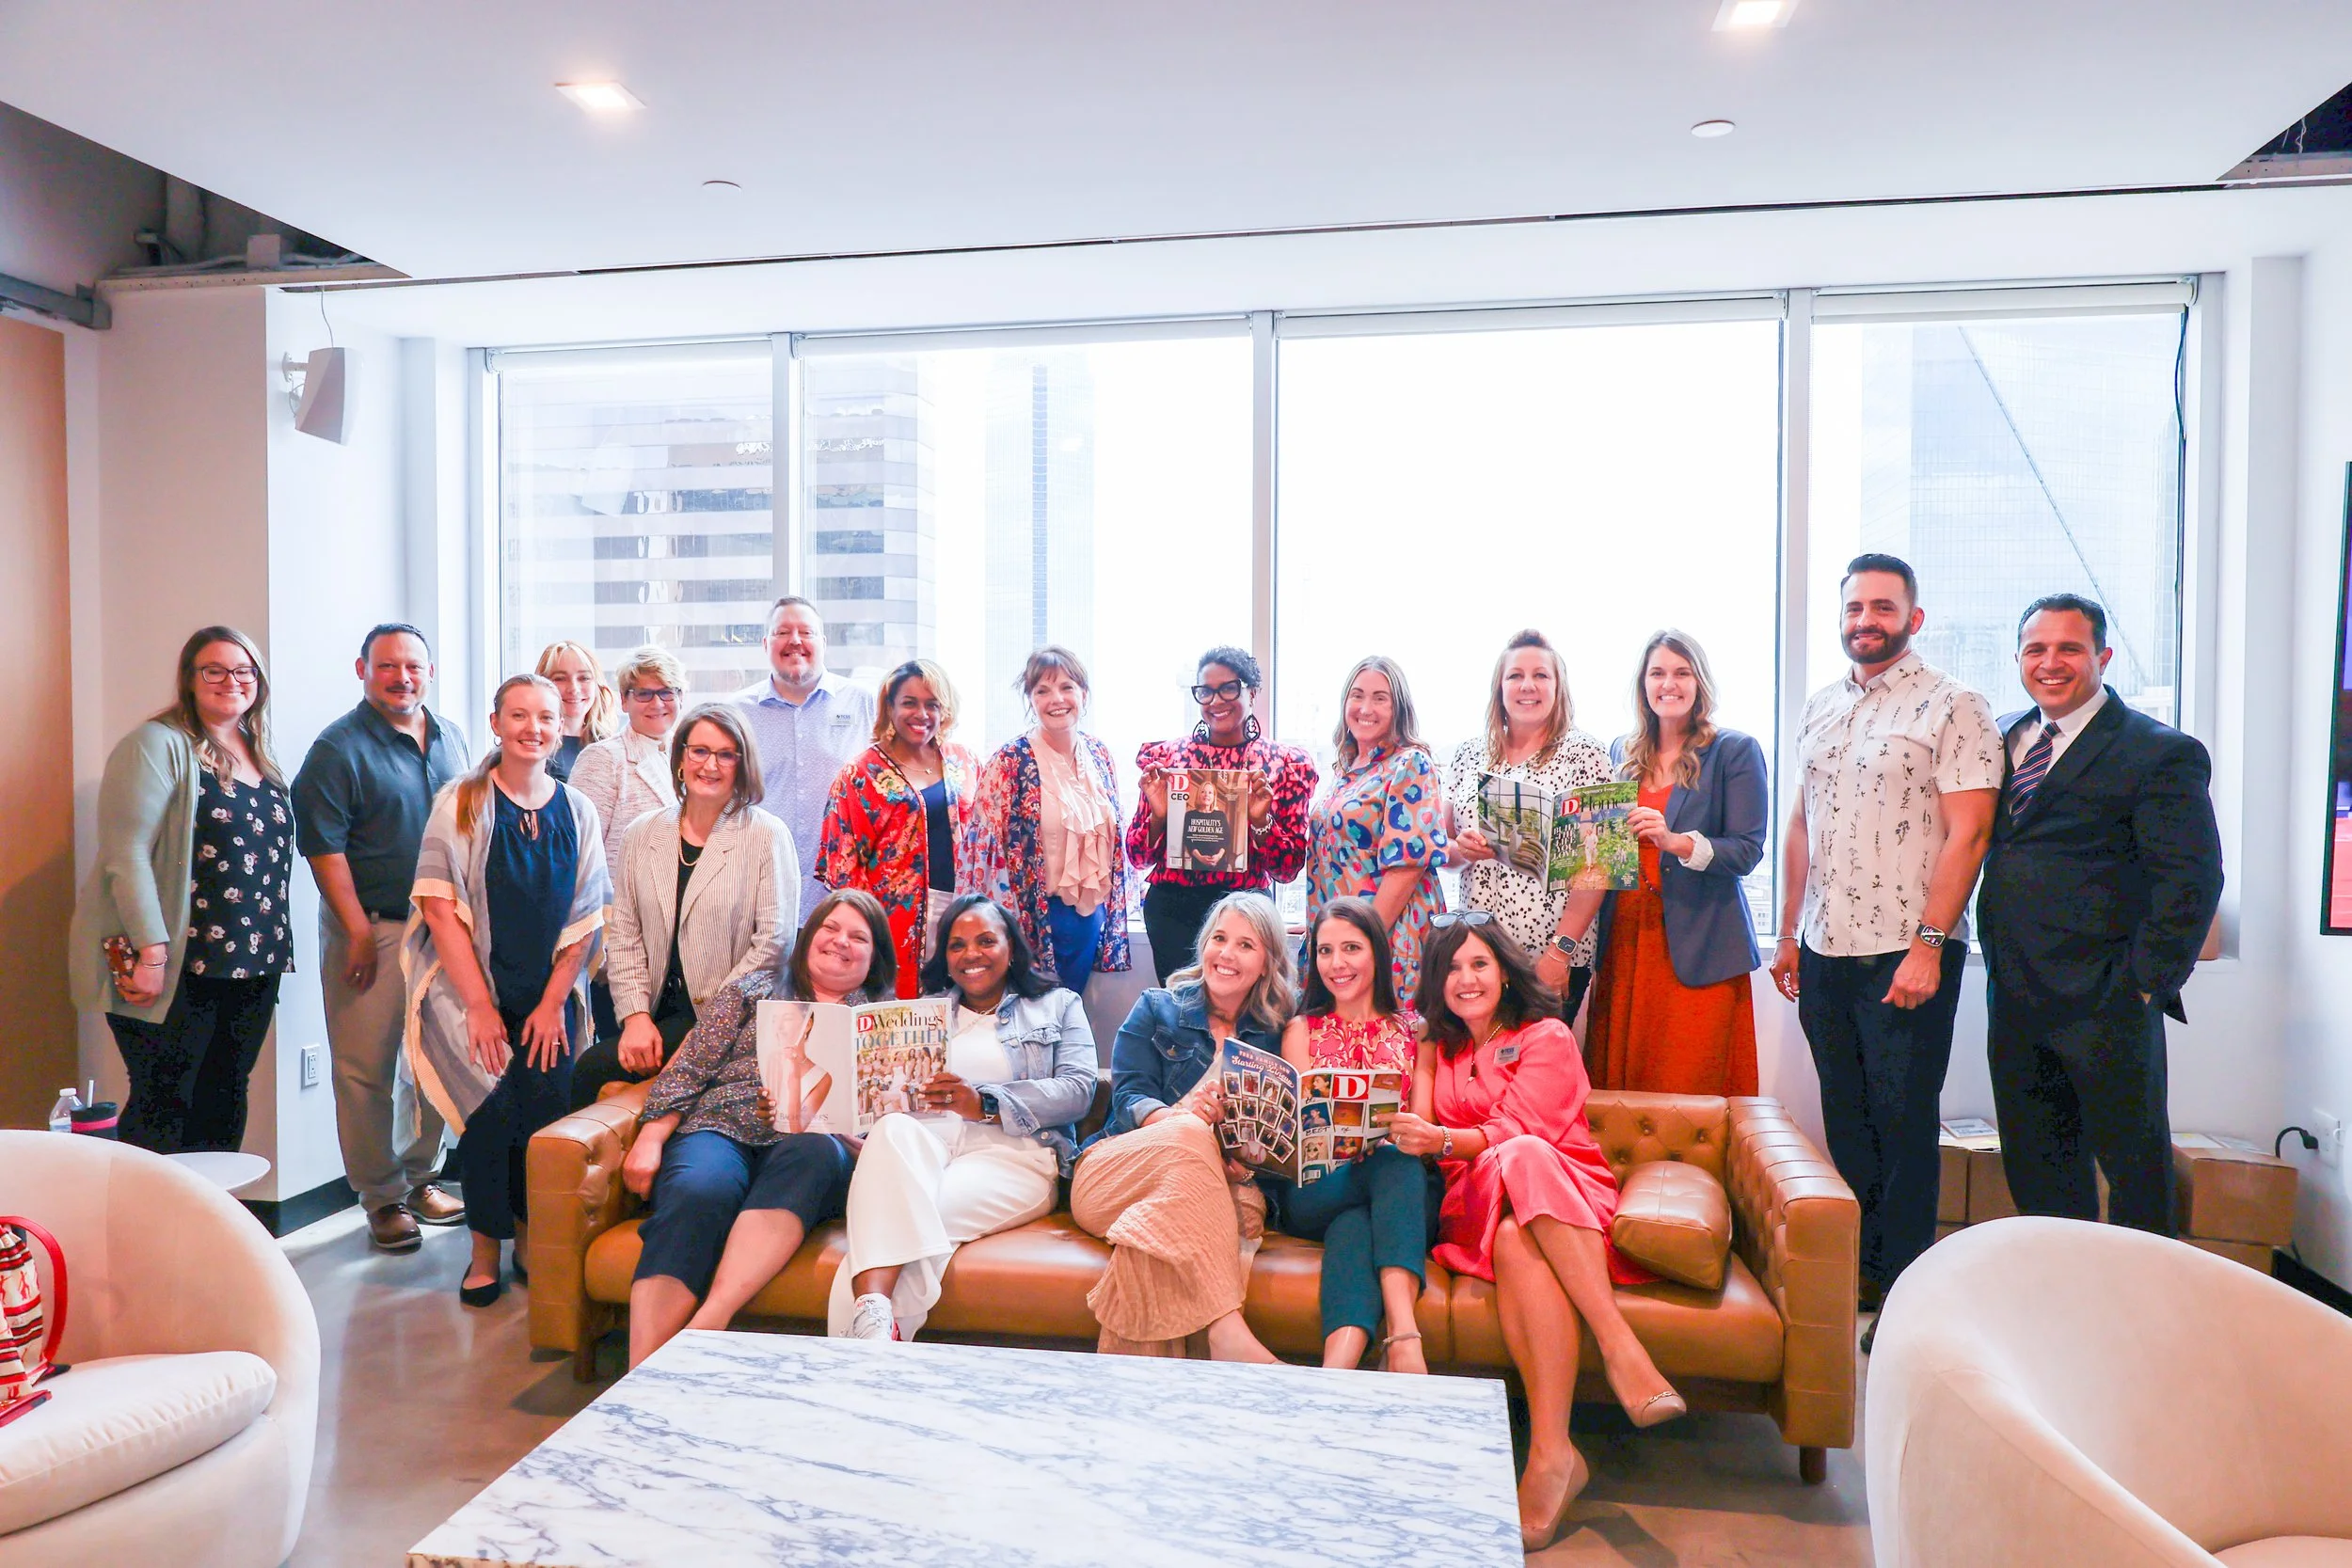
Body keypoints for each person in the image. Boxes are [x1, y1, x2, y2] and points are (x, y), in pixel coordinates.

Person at [1388, 915, 1684, 1550]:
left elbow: (1522, 1129)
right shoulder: (1441, 1048)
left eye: (1479, 963)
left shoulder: (1547, 1035)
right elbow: (1422, 1132)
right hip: (1473, 1200)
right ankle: (1620, 1346)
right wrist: (1422, 1063)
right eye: (1451, 969)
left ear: (1504, 970)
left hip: (1566, 1193)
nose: (1466, 978)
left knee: (1519, 1213)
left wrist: (1444, 1139)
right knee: (1516, 1169)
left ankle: (1552, 1456)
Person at [1770, 553, 2000, 1323]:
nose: (1865, 620)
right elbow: (1801, 824)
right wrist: (1789, 932)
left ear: (1913, 617)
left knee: (1903, 1127)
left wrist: (1929, 945)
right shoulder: (1821, 706)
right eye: (1854, 608)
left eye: (1881, 607)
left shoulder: (1954, 704)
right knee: (1847, 1121)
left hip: (1907, 951)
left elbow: (1970, 833)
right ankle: (1866, 1278)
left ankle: (1906, 1296)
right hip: (1824, 949)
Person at [1979, 594, 2223, 1236]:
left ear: (2103, 656)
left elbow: (2192, 878)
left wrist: (2143, 983)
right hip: (2015, 996)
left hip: (2106, 1001)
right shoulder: (2002, 735)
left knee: (2134, 1173)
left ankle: (2143, 1300)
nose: (2050, 662)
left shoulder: (2158, 751)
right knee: (2037, 1170)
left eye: (2069, 648)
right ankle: (2062, 1290)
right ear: (2018, 659)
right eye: (2036, 649)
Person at [619, 887, 896, 1368]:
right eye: (830, 928)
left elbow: (884, 1126)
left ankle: (707, 1326)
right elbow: (691, 1066)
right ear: (809, 935)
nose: (840, 942)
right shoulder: (755, 989)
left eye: (859, 937)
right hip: (720, 1127)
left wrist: (847, 1136)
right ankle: (640, 1373)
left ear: (874, 959)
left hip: (812, 1151)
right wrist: (650, 1137)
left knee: (813, 1150)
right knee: (698, 1189)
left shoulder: (883, 1023)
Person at [405, 673, 610, 1306]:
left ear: (561, 726)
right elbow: (440, 908)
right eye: (518, 715)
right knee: (489, 1118)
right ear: (495, 723)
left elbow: (586, 918)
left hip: (550, 1000)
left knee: (545, 1119)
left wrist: (552, 1005)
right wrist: (479, 1007)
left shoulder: (578, 809)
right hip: (471, 996)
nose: (533, 728)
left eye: (545, 717)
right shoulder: (462, 801)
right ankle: (483, 1254)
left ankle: (528, 1242)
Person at [829, 895, 1096, 1341]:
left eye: (986, 941)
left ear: (1011, 948)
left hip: (1011, 1156)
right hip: (925, 1151)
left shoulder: (1057, 1005)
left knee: (889, 1227)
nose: (971, 954)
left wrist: (985, 1103)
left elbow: (1079, 1090)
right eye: (957, 945)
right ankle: (875, 1332)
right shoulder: (921, 1014)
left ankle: (865, 1336)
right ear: (946, 958)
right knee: (893, 1131)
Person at [70, 626, 294, 1155]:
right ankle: (147, 1210)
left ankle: (207, 1207)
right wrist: (151, 953)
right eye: (214, 670)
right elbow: (126, 854)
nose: (231, 681)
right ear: (190, 679)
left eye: (244, 670)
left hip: (251, 961)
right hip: (175, 961)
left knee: (226, 1093)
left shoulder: (260, 753)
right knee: (165, 1099)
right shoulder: (156, 744)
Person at [293, 623, 471, 1253]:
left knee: (432, 1064)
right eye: (388, 665)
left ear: (430, 671)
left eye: (413, 666)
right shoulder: (337, 748)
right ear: (362, 669)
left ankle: (422, 1178)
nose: (402, 677)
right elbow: (324, 848)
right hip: (372, 927)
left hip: (442, 931)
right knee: (365, 1070)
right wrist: (356, 931)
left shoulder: (450, 737)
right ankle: (382, 1199)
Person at [1070, 893, 1296, 1361]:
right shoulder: (1157, 1008)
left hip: (1213, 1188)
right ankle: (1225, 1331)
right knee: (1191, 1134)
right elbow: (1128, 1097)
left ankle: (1143, 1395)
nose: (1226, 954)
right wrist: (1184, 1120)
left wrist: (1239, 1162)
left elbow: (1274, 1143)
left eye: (1245, 945)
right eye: (1219, 938)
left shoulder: (1276, 1036)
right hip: (1116, 1173)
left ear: (1267, 964)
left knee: (1167, 1236)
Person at [568, 705, 799, 1111]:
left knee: (594, 1072)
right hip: (655, 1013)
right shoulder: (643, 832)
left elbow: (773, 945)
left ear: (742, 765)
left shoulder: (766, 834)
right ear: (680, 758)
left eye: (726, 755)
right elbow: (624, 936)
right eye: (700, 751)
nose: (710, 765)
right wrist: (635, 1017)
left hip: (731, 1017)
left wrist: (710, 1030)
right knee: (588, 1072)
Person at [1583, 630, 1770, 1096]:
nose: (1669, 684)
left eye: (1681, 673)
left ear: (1699, 682)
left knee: (1690, 1079)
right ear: (1643, 684)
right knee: (1624, 1089)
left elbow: (1746, 851)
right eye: (1658, 673)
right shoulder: (1619, 752)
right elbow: (1603, 852)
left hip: (1700, 942)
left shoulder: (1734, 750)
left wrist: (1676, 842)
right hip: (1627, 939)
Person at [1269, 898, 1442, 1373]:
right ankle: (1405, 1338)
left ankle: (1335, 1377)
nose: (1336, 963)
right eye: (1325, 951)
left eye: (1351, 948)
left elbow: (1423, 1125)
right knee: (1388, 1170)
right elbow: (1301, 1128)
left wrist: (1402, 1133)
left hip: (1398, 1189)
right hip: (1321, 1186)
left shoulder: (1416, 1030)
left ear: (1377, 953)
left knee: (1357, 1221)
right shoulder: (1302, 1029)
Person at [1444, 630, 1617, 1022]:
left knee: (1539, 1059)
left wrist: (1559, 953)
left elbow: (1600, 866)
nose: (1527, 685)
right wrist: (1463, 850)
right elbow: (1444, 850)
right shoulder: (1468, 754)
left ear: (1558, 686)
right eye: (1515, 675)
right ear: (1499, 687)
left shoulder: (1586, 754)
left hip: (1550, 955)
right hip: (1477, 955)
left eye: (1541, 675)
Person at [1126, 646, 1318, 983]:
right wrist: (1158, 816)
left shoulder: (1283, 764)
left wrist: (1260, 822)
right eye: (1206, 691)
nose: (1216, 701)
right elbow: (1138, 856)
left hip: (1246, 910)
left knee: (1242, 1007)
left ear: (1252, 692)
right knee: (1182, 1006)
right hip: (1173, 910)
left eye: (1228, 688)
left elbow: (1287, 869)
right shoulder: (1170, 760)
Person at [964, 645, 1134, 997]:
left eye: (1067, 687)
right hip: (1029, 919)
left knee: (1069, 1012)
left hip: (1088, 917)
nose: (1056, 699)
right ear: (1031, 699)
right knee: (1028, 1016)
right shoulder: (1010, 760)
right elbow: (980, 853)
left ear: (1083, 693)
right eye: (1043, 690)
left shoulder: (1100, 755)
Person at [816, 659, 981, 999]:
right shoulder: (860, 773)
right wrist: (866, 928)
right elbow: (842, 864)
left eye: (932, 704)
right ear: (889, 707)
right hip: (892, 921)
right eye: (909, 703)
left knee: (959, 1005)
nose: (921, 714)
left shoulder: (964, 761)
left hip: (961, 911)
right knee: (901, 1012)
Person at [1304, 656, 1449, 998]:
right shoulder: (1346, 769)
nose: (1366, 708)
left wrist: (1363, 942)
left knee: (1384, 1031)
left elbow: (1407, 866)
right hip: (1340, 939)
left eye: (1380, 698)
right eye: (1357, 696)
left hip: (1387, 938)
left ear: (1398, 708)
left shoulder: (1410, 763)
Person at [734, 595, 877, 918]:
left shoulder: (865, 704)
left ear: (823, 643)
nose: (795, 641)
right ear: (765, 644)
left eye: (806, 632)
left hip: (842, 902)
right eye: (782, 632)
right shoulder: (736, 713)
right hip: (758, 900)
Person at [568, 644, 685, 874]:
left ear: (680, 697)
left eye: (666, 692)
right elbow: (577, 854)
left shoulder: (692, 755)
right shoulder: (603, 759)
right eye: (643, 694)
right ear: (624, 700)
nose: (657, 703)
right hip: (622, 896)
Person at [534, 640, 617, 782]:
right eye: (560, 678)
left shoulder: (609, 746)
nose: (573, 688)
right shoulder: (532, 744)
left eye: (584, 678)